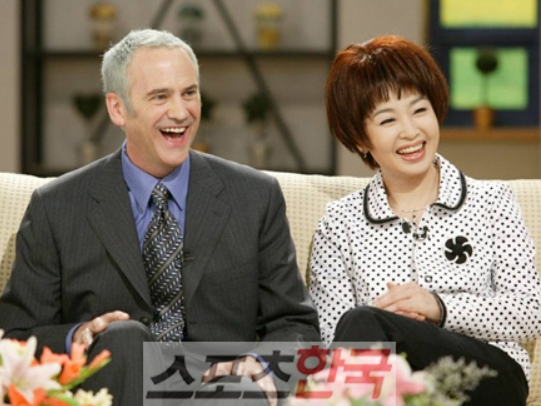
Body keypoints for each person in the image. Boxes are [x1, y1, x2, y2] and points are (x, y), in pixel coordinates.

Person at [0, 29, 320, 406]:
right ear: (118, 109)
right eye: (160, 97)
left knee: (243, 391)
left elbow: (295, 325)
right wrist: (80, 336)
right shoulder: (58, 207)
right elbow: (16, 336)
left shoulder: (254, 197)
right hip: (115, 389)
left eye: (189, 93)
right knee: (124, 337)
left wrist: (262, 365)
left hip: (219, 393)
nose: (181, 112)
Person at [310, 35, 541, 405]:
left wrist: (437, 307)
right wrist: (387, 325)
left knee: (364, 323)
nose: (411, 131)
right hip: (389, 383)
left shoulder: (492, 202)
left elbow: (530, 312)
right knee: (359, 323)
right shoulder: (340, 224)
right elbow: (329, 340)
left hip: (487, 377)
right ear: (359, 139)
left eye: (419, 110)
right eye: (388, 119)